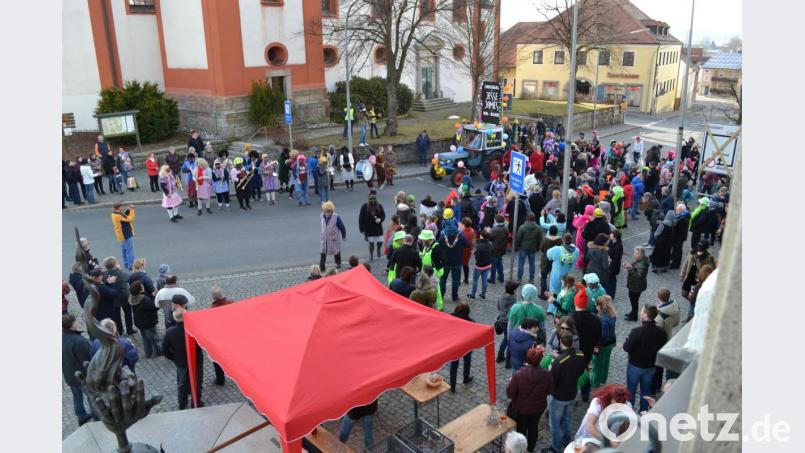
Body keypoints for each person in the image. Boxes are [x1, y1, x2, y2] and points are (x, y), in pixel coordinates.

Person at [546, 331, 587, 453]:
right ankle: (567, 441)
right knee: (567, 419)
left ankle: (556, 447)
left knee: (555, 424)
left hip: (559, 396)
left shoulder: (559, 361)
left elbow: (552, 381)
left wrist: (550, 369)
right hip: (572, 393)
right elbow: (580, 371)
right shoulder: (580, 355)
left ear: (560, 342)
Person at [507, 347, 553, 452]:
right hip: (538, 408)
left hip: (522, 409)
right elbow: (550, 391)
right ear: (540, 360)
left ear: (527, 359)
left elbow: (510, 393)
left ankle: (521, 449)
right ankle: (530, 449)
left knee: (521, 429)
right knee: (533, 428)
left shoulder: (518, 374)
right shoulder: (546, 375)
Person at [623, 305, 667, 412]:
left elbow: (627, 348)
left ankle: (629, 412)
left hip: (635, 366)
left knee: (631, 391)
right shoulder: (661, 332)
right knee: (646, 391)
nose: (640, 313)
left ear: (645, 315)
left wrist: (627, 340)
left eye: (642, 311)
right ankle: (643, 412)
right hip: (651, 367)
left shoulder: (636, 331)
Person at [162, 302, 205, 409]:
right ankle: (196, 403)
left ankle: (182, 404)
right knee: (197, 383)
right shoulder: (194, 329)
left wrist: (174, 358)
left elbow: (164, 350)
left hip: (181, 362)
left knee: (182, 384)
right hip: (196, 361)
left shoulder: (170, 332)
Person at [62, 313, 99, 425]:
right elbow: (88, 361)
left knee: (77, 396)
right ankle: (97, 417)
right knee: (91, 396)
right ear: (73, 325)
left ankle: (81, 416)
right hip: (82, 376)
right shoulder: (79, 341)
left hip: (69, 374)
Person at [570, 287, 601, 401]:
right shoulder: (595, 319)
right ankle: (585, 394)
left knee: (572, 373)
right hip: (587, 350)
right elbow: (598, 337)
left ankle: (572, 393)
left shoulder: (570, 319)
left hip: (573, 352)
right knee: (585, 370)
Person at [102, 256, 134, 336]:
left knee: (116, 315)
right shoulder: (121, 272)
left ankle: (120, 330)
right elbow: (128, 278)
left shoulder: (105, 274)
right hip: (124, 295)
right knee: (128, 313)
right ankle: (130, 329)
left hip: (113, 296)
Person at [129, 280, 161, 358]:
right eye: (141, 285)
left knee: (144, 338)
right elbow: (154, 307)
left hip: (139, 321)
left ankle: (148, 353)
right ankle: (158, 351)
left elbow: (145, 298)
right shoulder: (143, 300)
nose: (143, 286)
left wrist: (151, 295)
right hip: (149, 321)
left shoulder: (131, 297)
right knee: (153, 337)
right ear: (140, 289)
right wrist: (155, 297)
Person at [209, 286, 234, 386]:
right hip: (232, 336)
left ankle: (220, 380)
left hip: (220, 339)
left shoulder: (212, 310)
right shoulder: (232, 303)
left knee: (217, 360)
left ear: (213, 297)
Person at [591, 295, 617, 388]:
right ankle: (603, 379)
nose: (595, 307)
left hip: (601, 345)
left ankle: (595, 382)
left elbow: (603, 335)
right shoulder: (612, 314)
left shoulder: (602, 318)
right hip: (611, 342)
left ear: (600, 306)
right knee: (606, 361)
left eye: (596, 305)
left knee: (597, 364)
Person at [438, 221, 467, 302]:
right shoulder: (460, 235)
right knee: (455, 281)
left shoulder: (443, 235)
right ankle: (454, 297)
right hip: (457, 262)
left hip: (445, 262)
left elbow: (437, 245)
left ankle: (441, 295)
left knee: (443, 280)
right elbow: (467, 244)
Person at [449, 301, 475, 391]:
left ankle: (452, 385)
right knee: (467, 361)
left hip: (455, 345)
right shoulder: (471, 322)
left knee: (454, 365)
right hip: (466, 346)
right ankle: (466, 377)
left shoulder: (451, 317)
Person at [496, 281, 520, 367]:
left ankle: (500, 356)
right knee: (508, 340)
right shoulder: (513, 299)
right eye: (516, 289)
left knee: (505, 339)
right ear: (513, 290)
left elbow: (498, 306)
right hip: (508, 322)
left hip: (501, 320)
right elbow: (514, 311)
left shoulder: (501, 296)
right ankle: (507, 362)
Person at [516, 213, 544, 283]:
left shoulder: (522, 227)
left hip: (523, 248)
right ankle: (531, 279)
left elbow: (518, 238)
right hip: (533, 248)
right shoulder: (538, 228)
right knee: (532, 264)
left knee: (521, 264)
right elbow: (540, 239)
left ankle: (519, 279)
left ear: (527, 218)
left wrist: (517, 245)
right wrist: (537, 248)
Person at [358, 191, 386, 260]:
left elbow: (383, 215)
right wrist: (362, 230)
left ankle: (378, 249)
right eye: (371, 199)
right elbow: (361, 219)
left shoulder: (379, 206)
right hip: (369, 228)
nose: (373, 201)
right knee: (371, 243)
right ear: (369, 199)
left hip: (378, 228)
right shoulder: (364, 206)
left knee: (380, 242)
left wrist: (380, 219)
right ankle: (371, 255)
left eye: (374, 199)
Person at [624, 246, 649, 322]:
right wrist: (629, 265)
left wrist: (630, 269)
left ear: (641, 254)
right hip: (634, 284)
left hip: (636, 286)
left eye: (636, 253)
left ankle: (634, 316)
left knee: (634, 301)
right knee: (633, 301)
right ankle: (632, 313)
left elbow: (639, 276)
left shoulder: (643, 264)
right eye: (634, 253)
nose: (634, 255)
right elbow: (635, 264)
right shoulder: (640, 260)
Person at [320, 201, 347, 271]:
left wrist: (344, 236)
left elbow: (342, 227)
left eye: (328, 211)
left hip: (333, 238)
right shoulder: (322, 216)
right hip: (324, 238)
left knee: (336, 251)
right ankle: (322, 267)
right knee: (323, 252)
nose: (326, 212)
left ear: (331, 210)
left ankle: (338, 263)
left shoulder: (336, 217)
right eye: (325, 210)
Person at [469, 230, 494, 300]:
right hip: (488, 265)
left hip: (479, 266)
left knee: (475, 280)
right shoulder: (490, 244)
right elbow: (492, 254)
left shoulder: (479, 246)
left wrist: (474, 253)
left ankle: (473, 295)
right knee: (484, 280)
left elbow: (477, 258)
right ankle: (483, 294)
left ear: (482, 237)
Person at [489, 215, 508, 284]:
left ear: (496, 221)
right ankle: (501, 277)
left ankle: (492, 278)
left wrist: (488, 231)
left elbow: (490, 238)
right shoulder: (505, 228)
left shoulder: (495, 229)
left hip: (494, 250)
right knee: (499, 264)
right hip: (501, 249)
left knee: (493, 265)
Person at [670, 203, 690, 269]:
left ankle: (675, 265)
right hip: (679, 237)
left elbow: (680, 230)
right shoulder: (682, 216)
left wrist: (674, 230)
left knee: (677, 251)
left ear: (681, 210)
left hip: (678, 238)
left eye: (677, 209)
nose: (676, 210)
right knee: (677, 250)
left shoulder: (683, 218)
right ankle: (674, 261)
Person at [605, 229, 624, 298]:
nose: (610, 235)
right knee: (609, 280)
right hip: (609, 264)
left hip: (613, 267)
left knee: (612, 281)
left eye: (611, 234)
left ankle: (611, 294)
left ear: (615, 236)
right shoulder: (611, 241)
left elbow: (616, 260)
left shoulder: (619, 246)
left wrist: (611, 268)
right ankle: (608, 293)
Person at [460, 218, 476, 284]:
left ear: (464, 224)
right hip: (468, 250)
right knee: (465, 265)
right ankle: (466, 279)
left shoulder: (461, 232)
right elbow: (473, 242)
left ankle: (458, 280)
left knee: (459, 265)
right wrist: (472, 249)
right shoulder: (472, 231)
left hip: (461, 250)